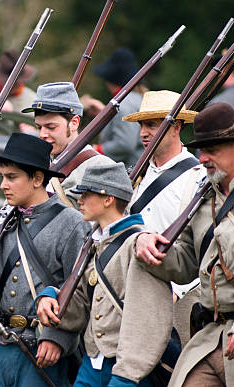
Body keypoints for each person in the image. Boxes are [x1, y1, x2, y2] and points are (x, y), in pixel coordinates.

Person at [0, 133, 91, 387]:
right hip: (0, 344)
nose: (2, 185)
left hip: (42, 346)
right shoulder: (3, 217)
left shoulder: (72, 223)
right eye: (3, 176)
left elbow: (78, 289)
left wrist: (58, 337)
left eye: (11, 177)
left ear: (37, 179)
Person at [134, 102, 234, 386]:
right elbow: (185, 264)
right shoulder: (204, 199)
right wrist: (145, 245)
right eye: (201, 150)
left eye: (212, 150)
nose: (202, 159)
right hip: (211, 336)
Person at [36, 162, 174, 386]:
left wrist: (126, 377)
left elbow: (148, 319)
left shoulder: (138, 245)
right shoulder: (94, 242)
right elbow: (81, 301)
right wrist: (51, 296)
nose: (78, 200)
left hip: (127, 371)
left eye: (86, 194)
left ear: (108, 199)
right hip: (92, 363)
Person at [123, 90, 205, 339]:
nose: (143, 133)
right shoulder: (136, 175)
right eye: (141, 125)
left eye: (151, 125)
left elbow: (200, 246)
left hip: (180, 296)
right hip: (134, 291)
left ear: (176, 127)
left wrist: (178, 290)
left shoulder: (198, 177)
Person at [22, 82, 115, 209]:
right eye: (39, 127)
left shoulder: (101, 168)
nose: (42, 134)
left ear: (74, 123)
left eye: (51, 127)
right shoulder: (37, 163)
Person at [82, 48, 144, 167]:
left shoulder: (124, 104)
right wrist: (103, 113)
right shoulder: (135, 99)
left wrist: (96, 149)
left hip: (129, 170)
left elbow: (125, 144)